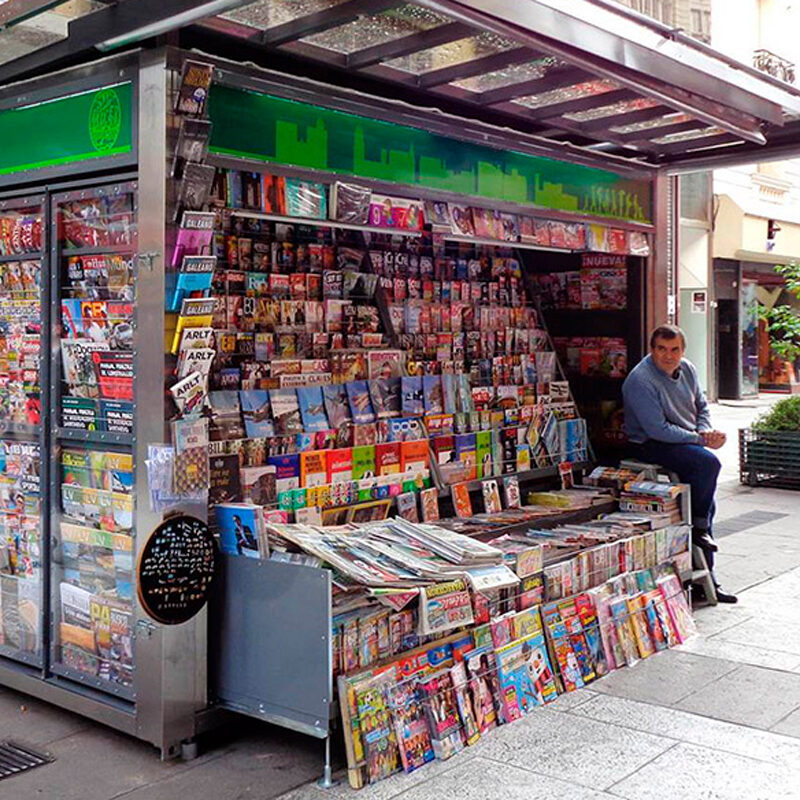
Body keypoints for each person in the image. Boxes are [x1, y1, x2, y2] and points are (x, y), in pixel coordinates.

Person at [622, 323, 737, 604]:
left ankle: (707, 574)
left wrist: (706, 431)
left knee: (705, 500)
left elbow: (702, 406)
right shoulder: (640, 380)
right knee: (707, 466)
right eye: (661, 349)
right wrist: (701, 440)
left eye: (674, 350)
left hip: (686, 438)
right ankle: (699, 530)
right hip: (651, 444)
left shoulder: (688, 369)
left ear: (682, 350)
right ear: (652, 349)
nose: (668, 356)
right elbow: (657, 429)